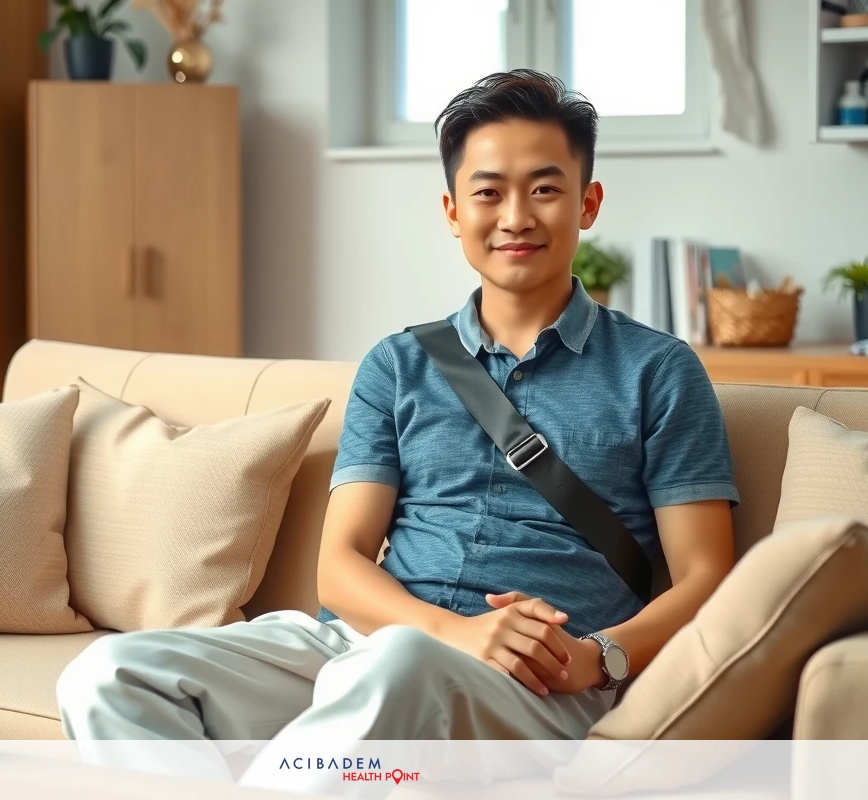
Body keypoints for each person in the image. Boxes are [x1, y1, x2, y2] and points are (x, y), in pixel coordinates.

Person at [56, 69, 740, 789]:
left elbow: (708, 576)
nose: (515, 216)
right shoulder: (400, 364)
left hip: (540, 683)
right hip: (369, 646)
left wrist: (599, 657)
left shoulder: (657, 371)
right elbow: (341, 563)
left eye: (544, 188)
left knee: (401, 664)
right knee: (108, 674)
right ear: (452, 210)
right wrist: (449, 632)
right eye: (488, 192)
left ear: (587, 203)